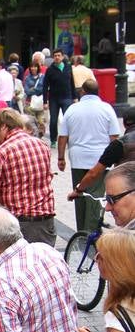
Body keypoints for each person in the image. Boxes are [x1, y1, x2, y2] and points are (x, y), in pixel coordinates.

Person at [57, 79, 120, 232]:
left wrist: (61, 158)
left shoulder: (72, 109)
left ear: (83, 91)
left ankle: (82, 232)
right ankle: (91, 231)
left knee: (79, 194)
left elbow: (63, 136)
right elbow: (114, 137)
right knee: (95, 196)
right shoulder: (107, 109)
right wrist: (116, 160)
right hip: (101, 160)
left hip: (78, 159)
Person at [0, 108, 56, 246]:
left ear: (4, 126)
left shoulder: (2, 152)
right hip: (45, 220)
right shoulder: (42, 145)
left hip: (19, 222)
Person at [68, 107, 135, 200]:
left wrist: (78, 190)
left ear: (124, 124)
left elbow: (94, 173)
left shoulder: (119, 144)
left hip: (128, 193)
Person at [43, 49, 76, 147]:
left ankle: (70, 139)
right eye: (55, 56)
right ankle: (53, 140)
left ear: (62, 57)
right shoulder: (50, 70)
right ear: (53, 57)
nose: (57, 57)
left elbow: (72, 82)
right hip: (54, 99)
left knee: (69, 119)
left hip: (67, 97)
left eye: (59, 55)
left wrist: (74, 97)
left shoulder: (68, 67)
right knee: (53, 120)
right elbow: (45, 86)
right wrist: (45, 101)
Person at [23, 62, 46, 137]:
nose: (33, 68)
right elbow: (27, 91)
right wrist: (36, 90)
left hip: (40, 102)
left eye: (35, 67)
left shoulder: (42, 77)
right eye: (31, 67)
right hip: (29, 103)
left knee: (41, 122)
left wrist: (33, 89)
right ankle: (34, 137)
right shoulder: (27, 78)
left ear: (38, 68)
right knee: (31, 122)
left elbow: (43, 89)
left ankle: (40, 136)